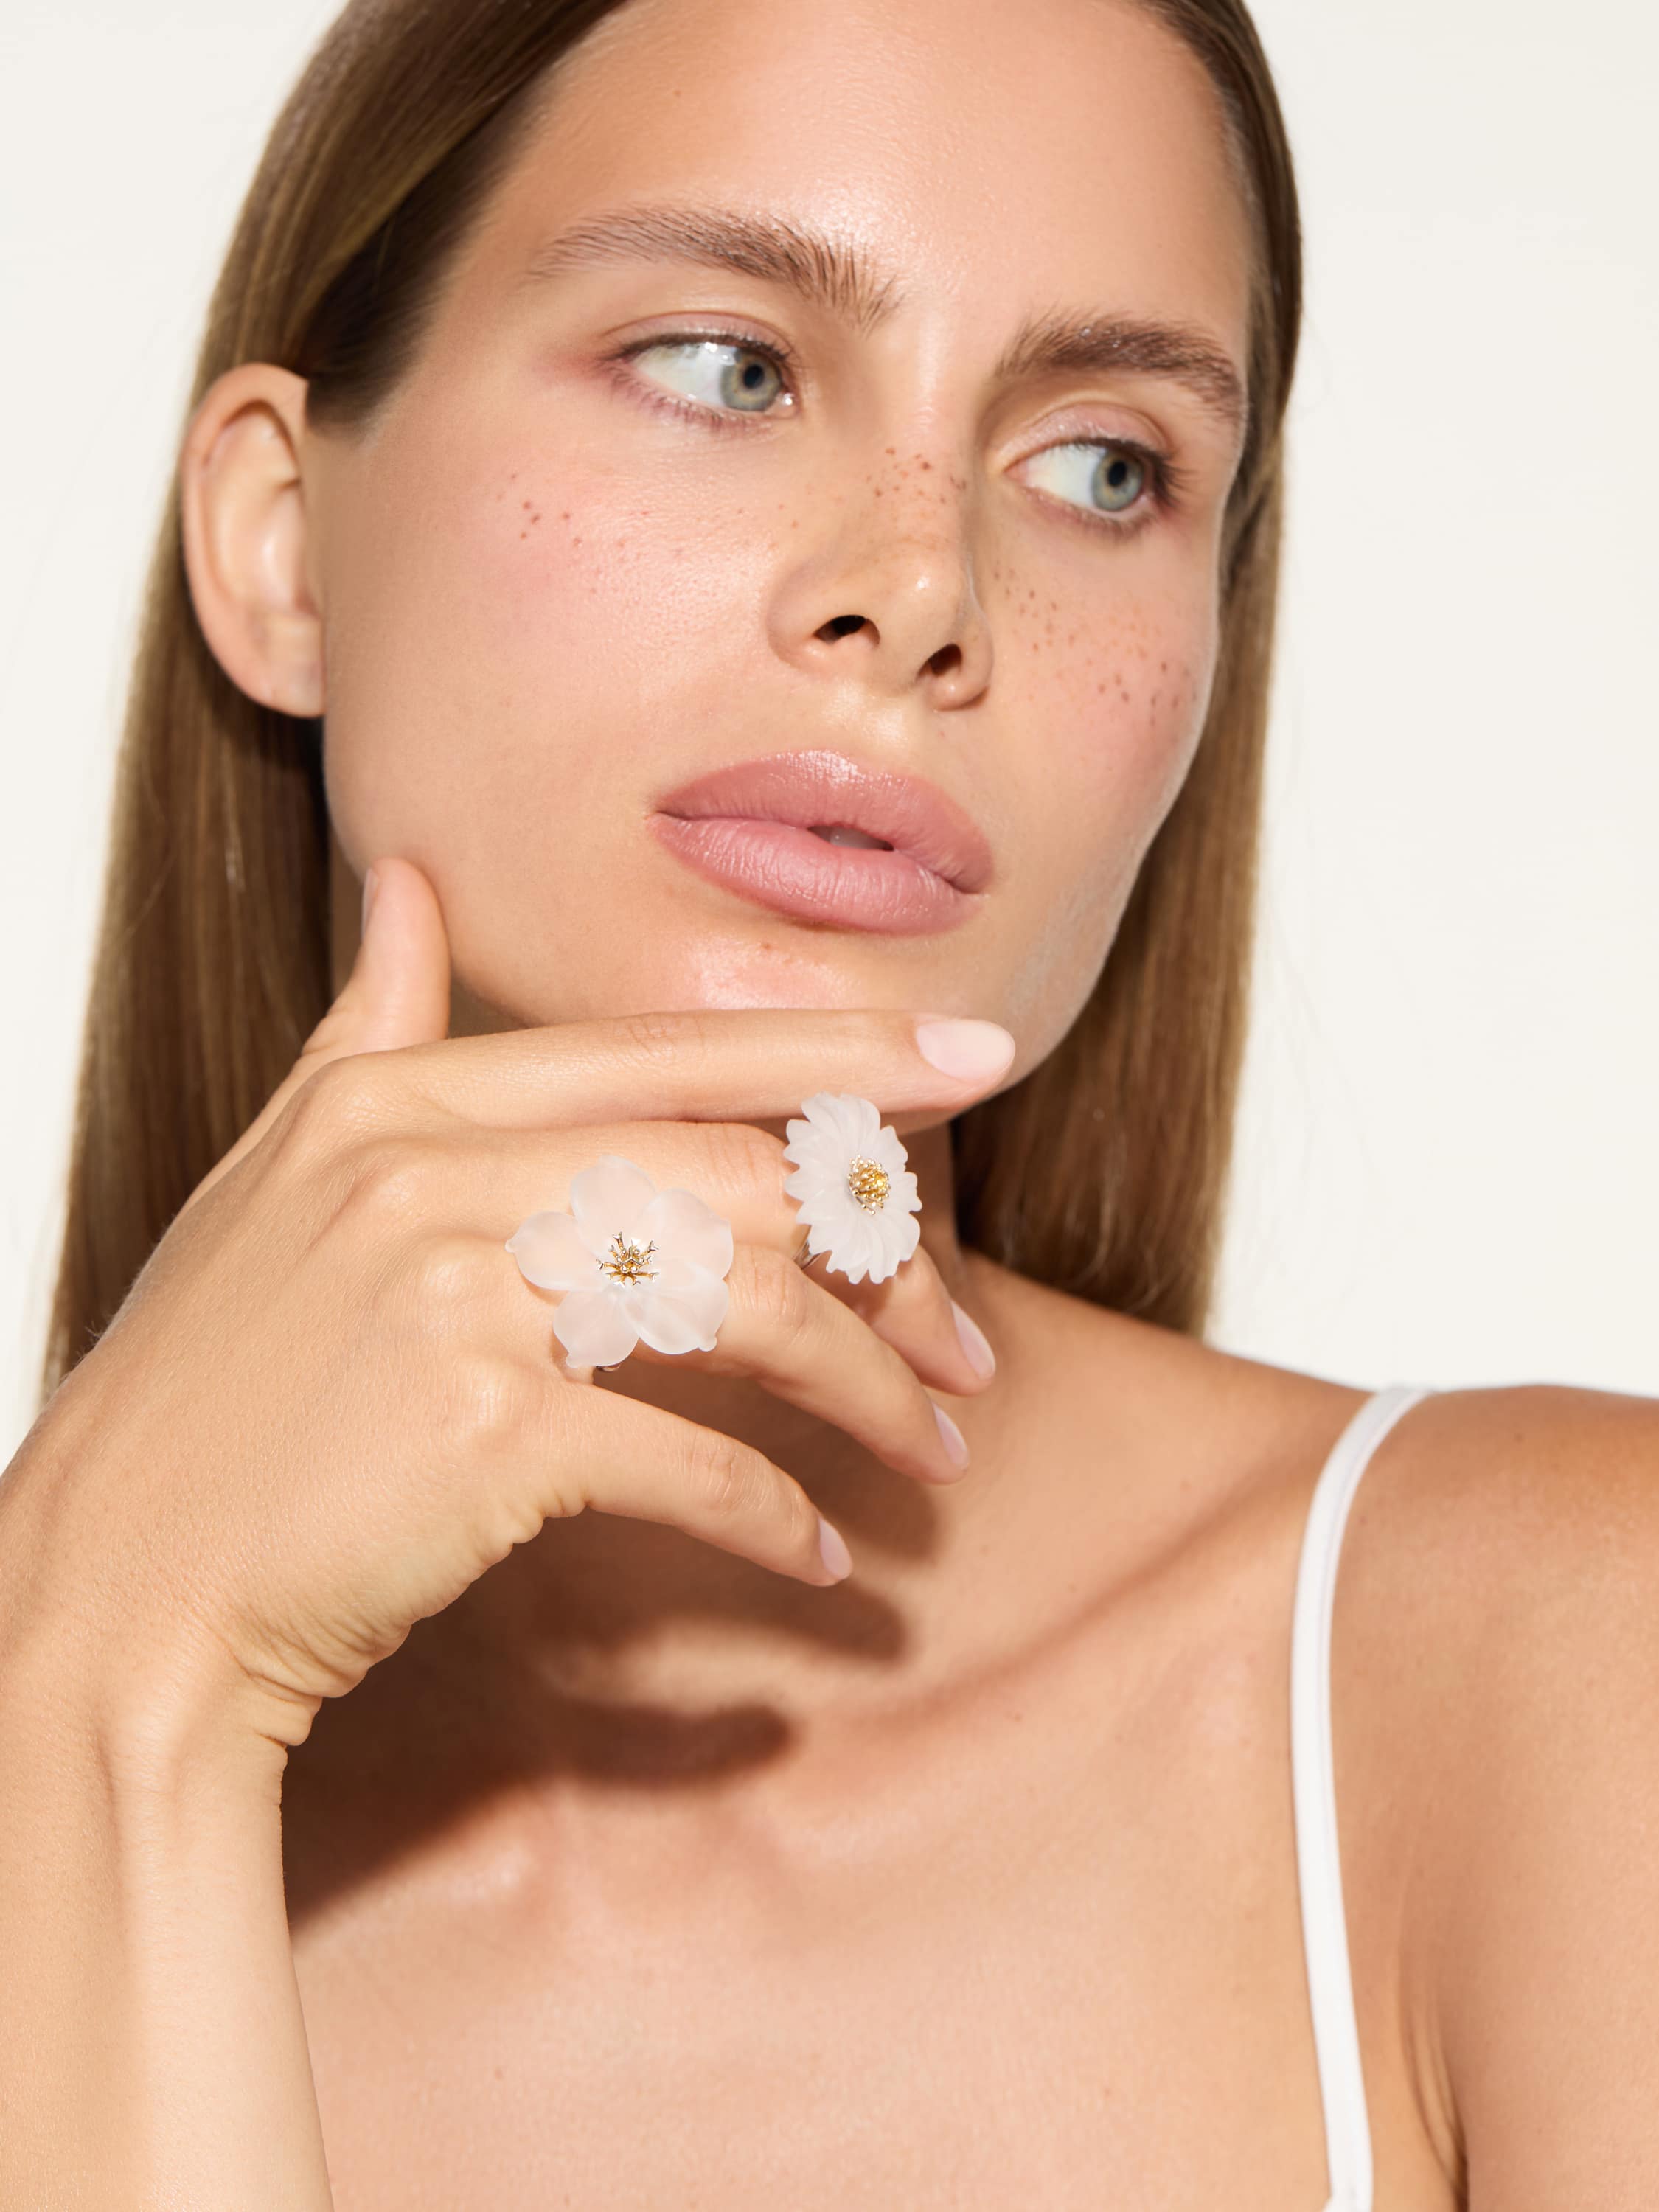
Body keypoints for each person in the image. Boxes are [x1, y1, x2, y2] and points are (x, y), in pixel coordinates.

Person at [1, 0, 1655, 2202]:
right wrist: (110, 1697)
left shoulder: (1570, 1668)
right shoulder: (51, 1721)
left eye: (1105, 464)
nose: (923, 588)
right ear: (286, 545)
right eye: (727, 366)